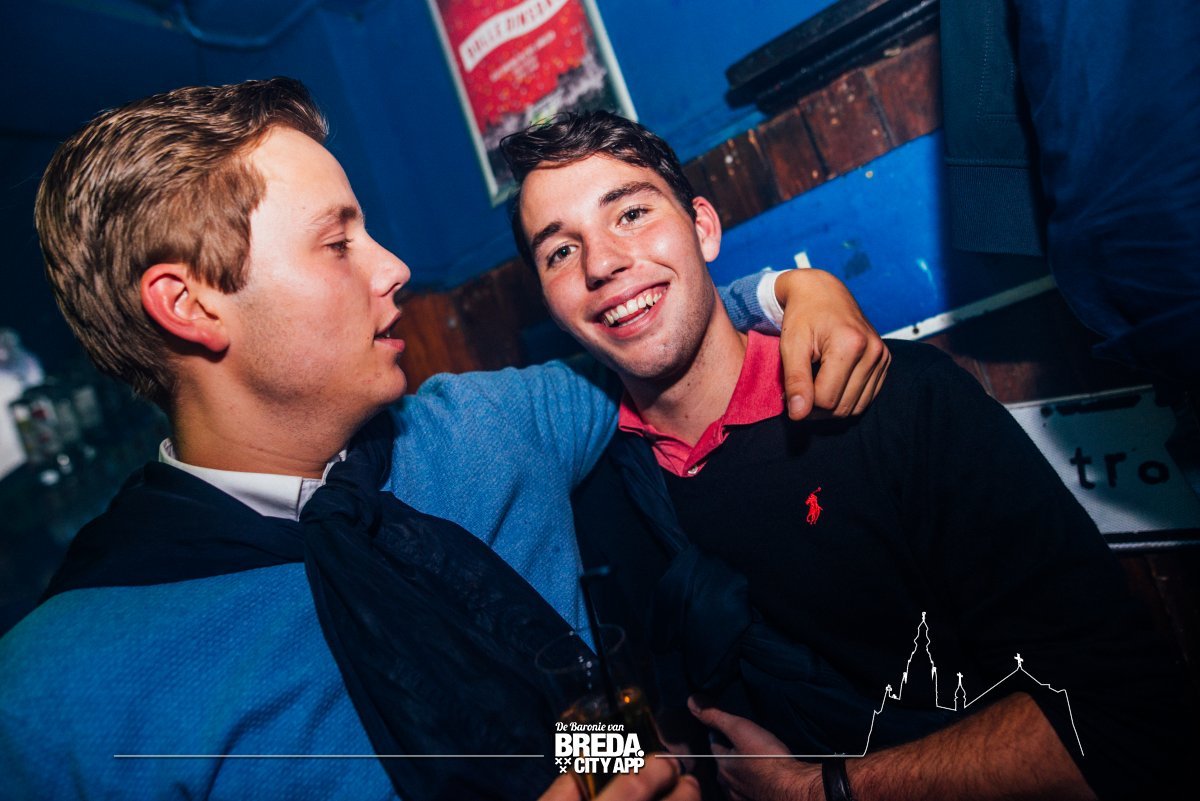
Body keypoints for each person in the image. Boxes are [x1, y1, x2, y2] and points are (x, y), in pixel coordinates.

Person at [0, 78, 888, 801]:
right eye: (337, 243)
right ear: (190, 305)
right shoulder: (58, 693)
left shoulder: (484, 430)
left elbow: (654, 335)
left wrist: (789, 293)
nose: (394, 268)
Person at [501, 111, 1192, 800]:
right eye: (560, 251)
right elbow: (608, 696)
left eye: (630, 214)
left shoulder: (899, 403)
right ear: (549, 301)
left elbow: (1127, 721)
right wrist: (616, 780)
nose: (602, 263)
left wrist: (821, 790)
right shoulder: (585, 488)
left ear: (703, 228)